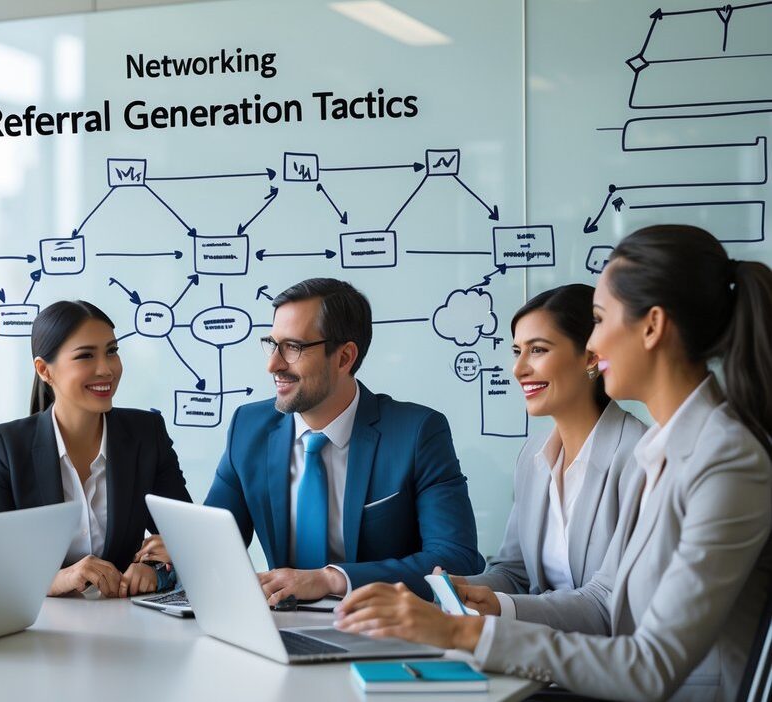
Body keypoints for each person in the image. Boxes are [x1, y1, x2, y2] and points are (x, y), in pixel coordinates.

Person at [334, 225, 772, 701]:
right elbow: (603, 601)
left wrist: (462, 632)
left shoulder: (726, 460)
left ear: (652, 327)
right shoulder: (666, 450)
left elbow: (652, 667)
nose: (593, 345)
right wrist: (476, 605)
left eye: (599, 320)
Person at [205, 277, 483, 604]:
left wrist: (332, 579)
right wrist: (166, 563)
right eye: (272, 344)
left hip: (381, 625)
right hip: (277, 623)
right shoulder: (248, 428)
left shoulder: (418, 433)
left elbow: (456, 558)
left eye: (293, 347)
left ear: (344, 357)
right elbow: (211, 548)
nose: (273, 364)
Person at [0, 300, 192, 598]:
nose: (106, 369)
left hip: (124, 617)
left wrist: (154, 571)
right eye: (86, 355)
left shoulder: (146, 435)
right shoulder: (8, 447)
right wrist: (56, 580)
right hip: (39, 621)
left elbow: (186, 542)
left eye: (112, 351)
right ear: (44, 370)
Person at [459, 284, 646, 601]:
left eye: (538, 350)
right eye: (517, 351)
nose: (518, 369)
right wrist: (461, 587)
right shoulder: (532, 455)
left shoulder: (639, 455)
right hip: (536, 632)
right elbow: (515, 574)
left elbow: (611, 601)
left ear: (591, 357)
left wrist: (503, 608)